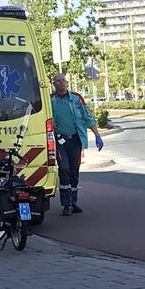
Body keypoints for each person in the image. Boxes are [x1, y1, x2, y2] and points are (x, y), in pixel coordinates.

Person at [50, 72, 103, 216]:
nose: (61, 83)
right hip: (60, 140)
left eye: (63, 80)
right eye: (57, 81)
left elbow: (87, 117)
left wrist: (97, 135)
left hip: (75, 140)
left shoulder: (76, 98)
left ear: (67, 83)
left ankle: (73, 202)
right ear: (54, 84)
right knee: (64, 169)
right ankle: (66, 204)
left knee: (74, 171)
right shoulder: (50, 101)